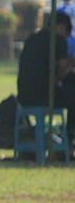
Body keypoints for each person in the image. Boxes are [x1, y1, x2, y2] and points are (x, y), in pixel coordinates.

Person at [16, 11, 75, 145]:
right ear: (61, 27)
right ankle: (71, 134)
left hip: (24, 96)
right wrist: (68, 69)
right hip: (44, 96)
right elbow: (60, 72)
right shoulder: (58, 40)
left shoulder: (32, 39)